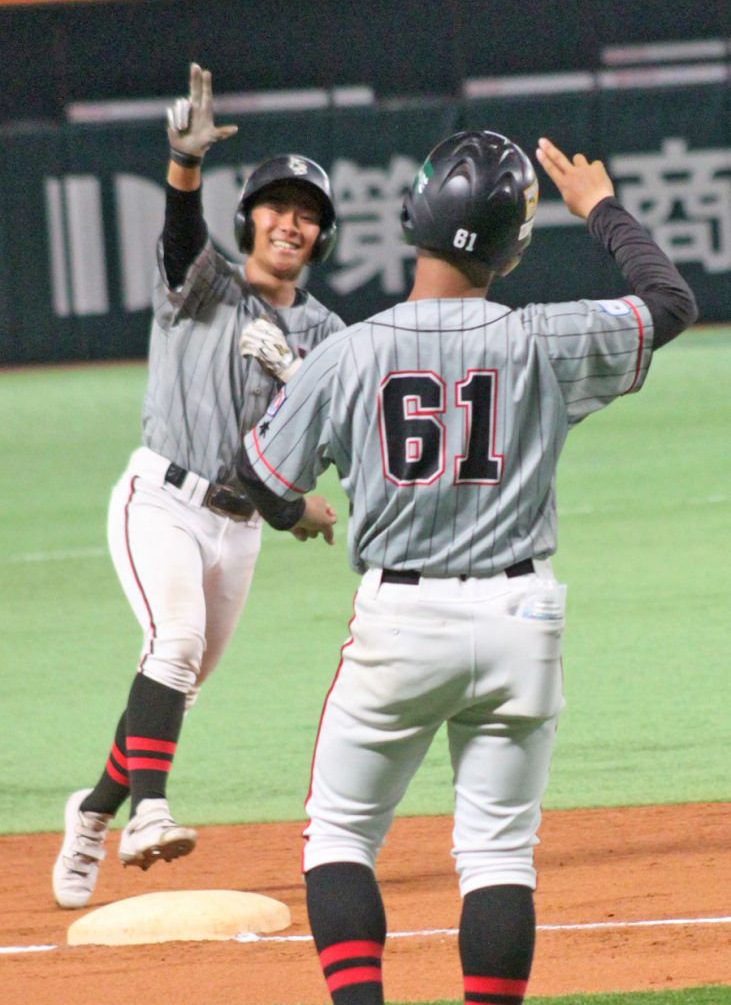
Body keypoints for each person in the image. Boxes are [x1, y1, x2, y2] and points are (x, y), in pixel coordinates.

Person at [232, 130, 697, 1004]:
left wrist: (303, 483)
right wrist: (598, 208)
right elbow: (668, 303)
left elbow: (257, 479)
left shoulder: (347, 352)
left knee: (338, 838)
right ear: (513, 251)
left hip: (400, 625)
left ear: (411, 217)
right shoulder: (542, 339)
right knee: (495, 855)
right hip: (523, 619)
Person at [52, 62, 342, 910]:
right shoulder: (204, 283)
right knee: (173, 647)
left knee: (175, 677)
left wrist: (296, 505)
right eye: (278, 207)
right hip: (160, 501)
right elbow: (181, 235)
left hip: (240, 528)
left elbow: (319, 444)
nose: (291, 223)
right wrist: (184, 166)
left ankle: (92, 814)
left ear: (320, 238)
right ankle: (149, 814)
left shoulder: (326, 332)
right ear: (249, 216)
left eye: (308, 215)